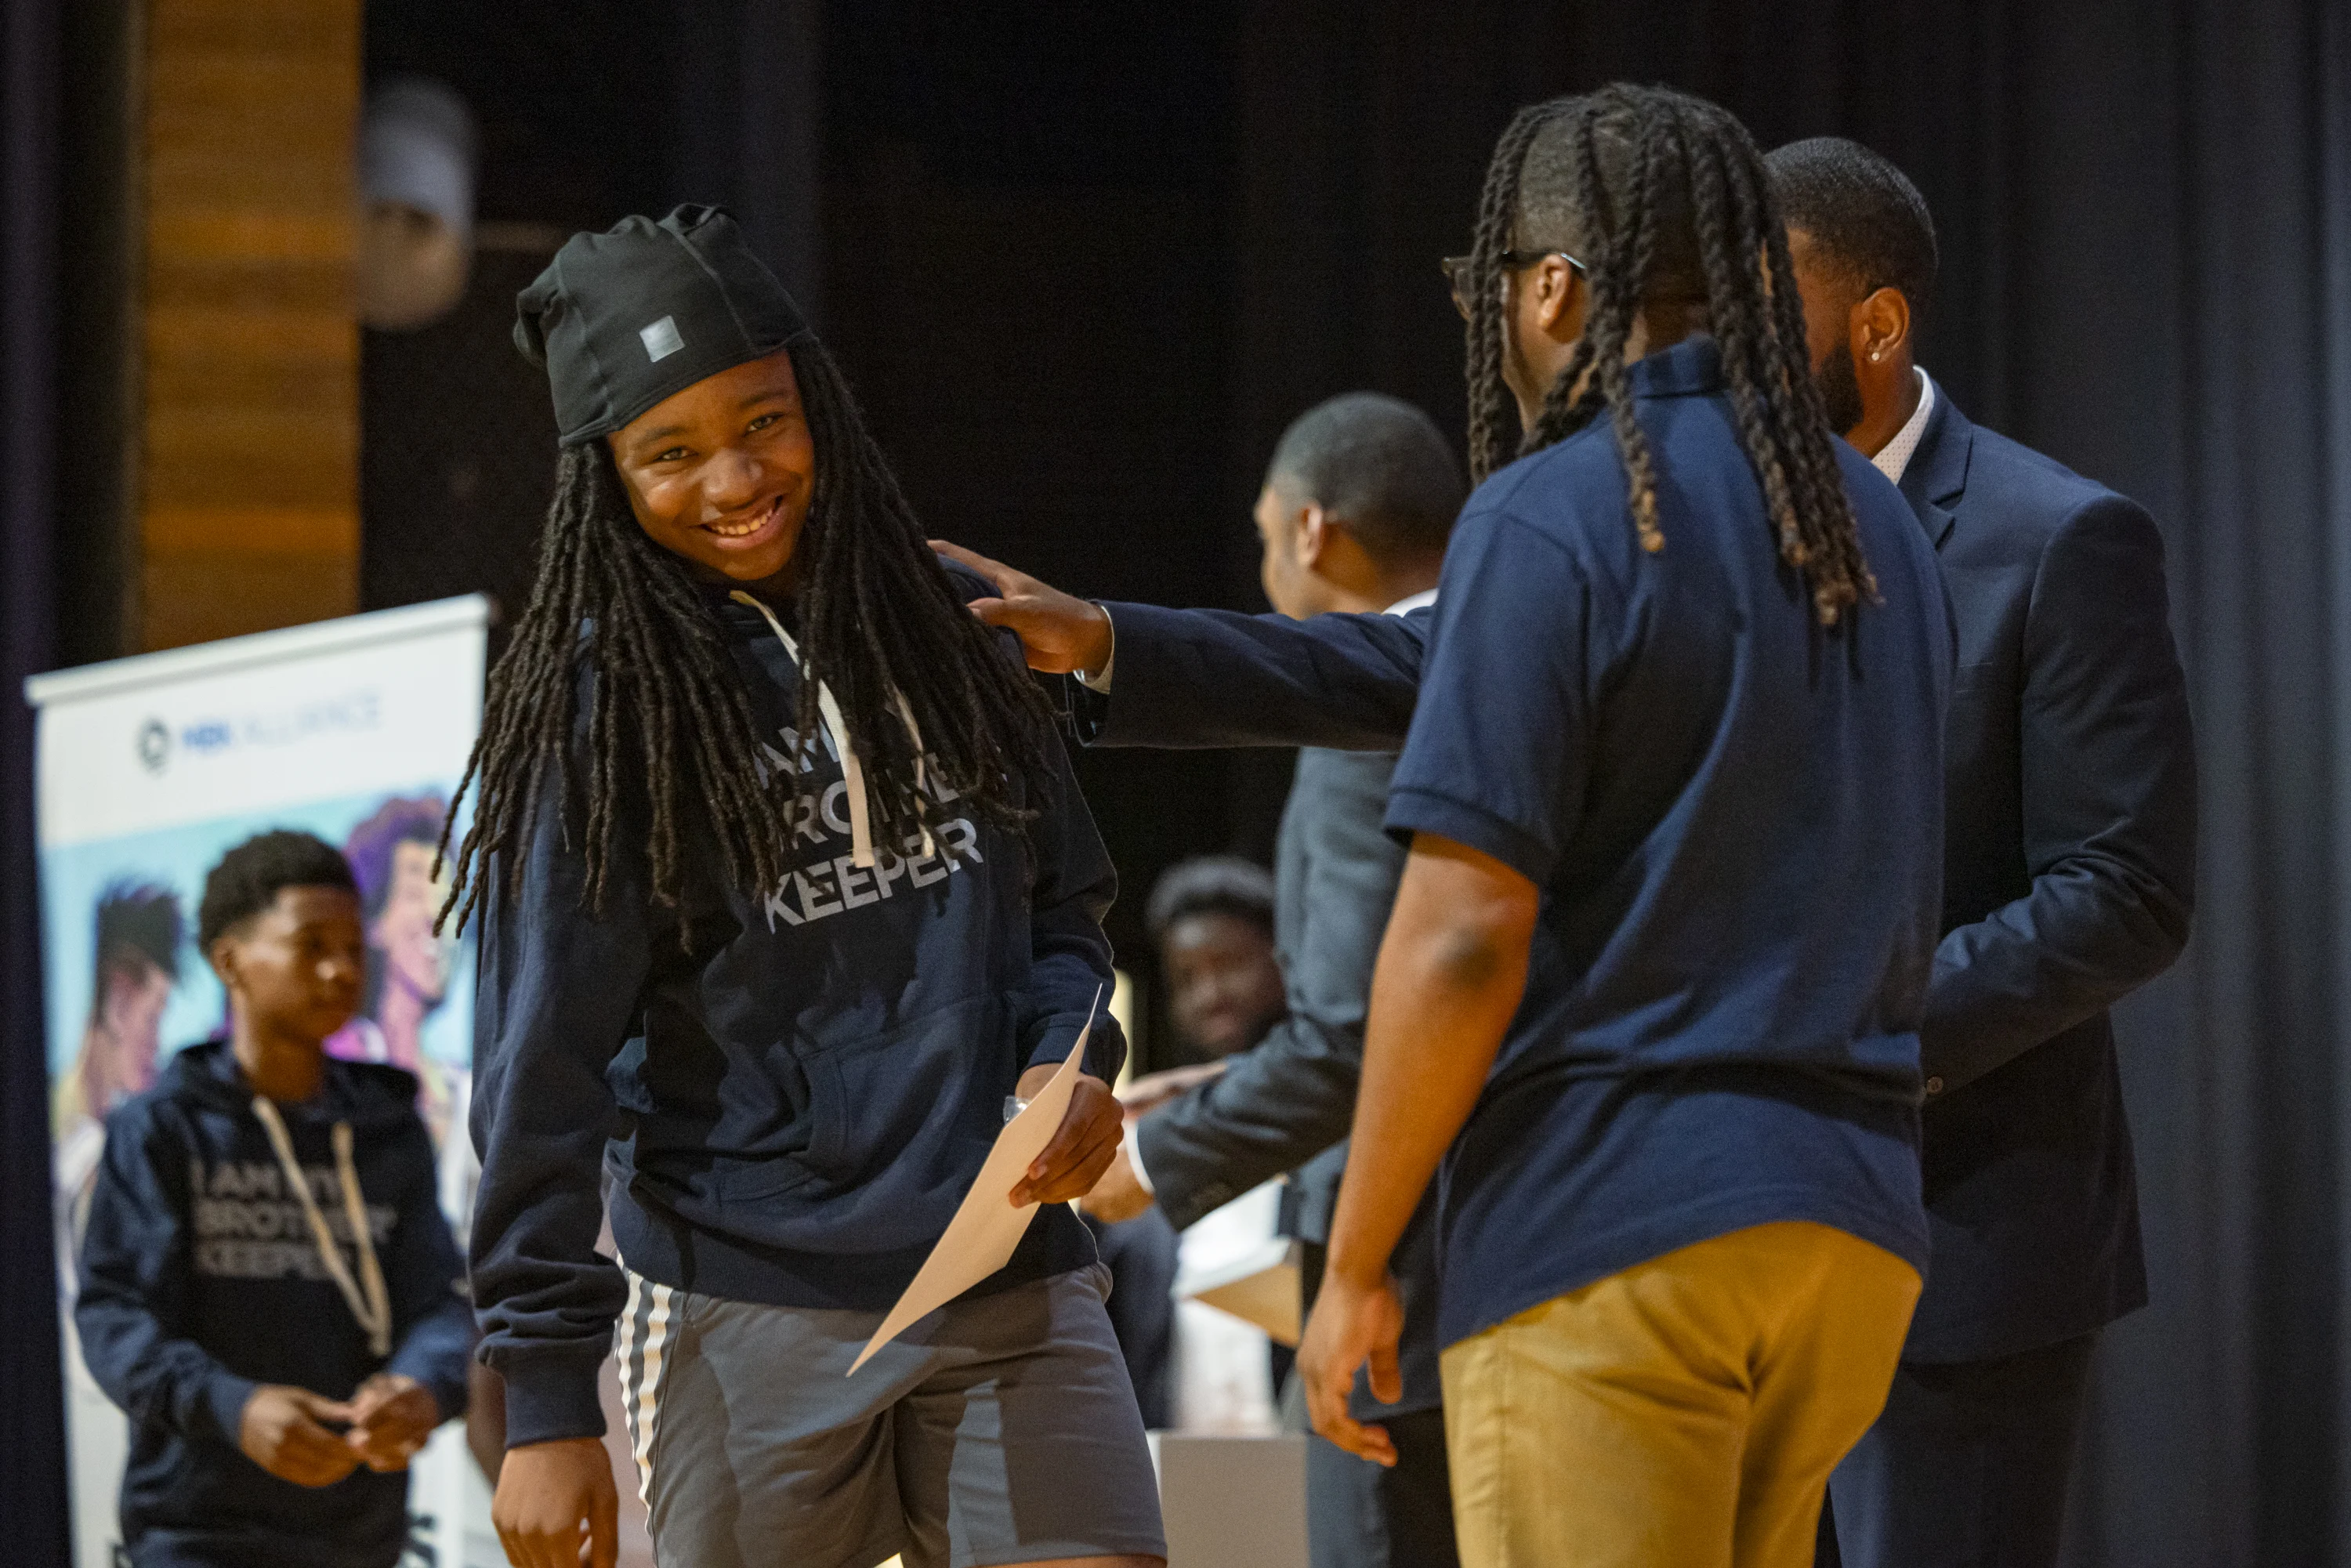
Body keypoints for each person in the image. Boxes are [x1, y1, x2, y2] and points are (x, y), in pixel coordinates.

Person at [942, 82, 1954, 1568]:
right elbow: (1407, 663)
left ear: (1553, 288)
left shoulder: (1560, 508)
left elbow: (1465, 937)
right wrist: (1110, 640)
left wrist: (1355, 1265)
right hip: (1848, 1234)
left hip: (1616, 1225)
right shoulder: (1869, 528)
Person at [448, 206, 1162, 1568]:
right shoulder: (602, 716)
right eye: (670, 452)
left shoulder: (953, 621)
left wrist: (1067, 1058)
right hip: (747, 1306)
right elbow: (538, 1066)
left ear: (815, 397)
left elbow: (1064, 911)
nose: (733, 475)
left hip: (1006, 1267)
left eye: (763, 420)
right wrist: (545, 1401)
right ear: (604, 476)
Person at [1766, 136, 2197, 1568]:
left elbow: (2125, 892)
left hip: (1961, 1243)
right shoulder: (1695, 540)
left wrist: (1847, 1028)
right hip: (1718, 1242)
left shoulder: (2060, 536)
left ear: (1876, 327)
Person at [1083, 391, 1465, 1568]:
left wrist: (1145, 1161)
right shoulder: (1513, 664)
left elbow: (1355, 1039)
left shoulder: (1368, 714)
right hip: (1506, 1242)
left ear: (1312, 533)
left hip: (1396, 1264)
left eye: (1262, 536)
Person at [74, 830, 472, 1568]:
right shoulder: (162, 1129)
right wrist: (233, 1405)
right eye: (311, 944)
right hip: (198, 1532)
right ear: (230, 961)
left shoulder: (386, 1124)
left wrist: (421, 1385)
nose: (342, 969)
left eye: (354, 947)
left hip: (359, 1533)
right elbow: (115, 1316)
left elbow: (441, 1303)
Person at [54, 881, 184, 1296]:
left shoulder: (106, 1131)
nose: (157, 1045)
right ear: (119, 1002)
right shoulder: (82, 1148)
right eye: (153, 1018)